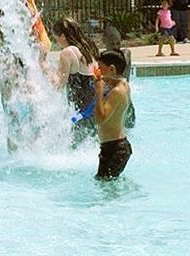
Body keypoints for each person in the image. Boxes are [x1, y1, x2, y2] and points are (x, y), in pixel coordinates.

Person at [41, 16, 99, 142]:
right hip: (97, 109)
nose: (56, 42)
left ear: (62, 36)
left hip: (82, 114)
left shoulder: (67, 52)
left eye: (56, 38)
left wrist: (43, 63)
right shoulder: (90, 48)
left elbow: (57, 85)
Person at [94, 49, 132, 180]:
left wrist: (98, 91)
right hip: (114, 146)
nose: (98, 72)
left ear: (111, 69)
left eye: (100, 68)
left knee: (104, 185)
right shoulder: (123, 84)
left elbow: (100, 119)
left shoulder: (117, 91)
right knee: (104, 185)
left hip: (115, 149)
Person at [102, 23, 135, 128]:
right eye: (112, 44)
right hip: (110, 102)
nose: (116, 47)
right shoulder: (103, 60)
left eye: (118, 43)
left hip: (124, 101)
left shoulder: (125, 55)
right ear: (104, 42)